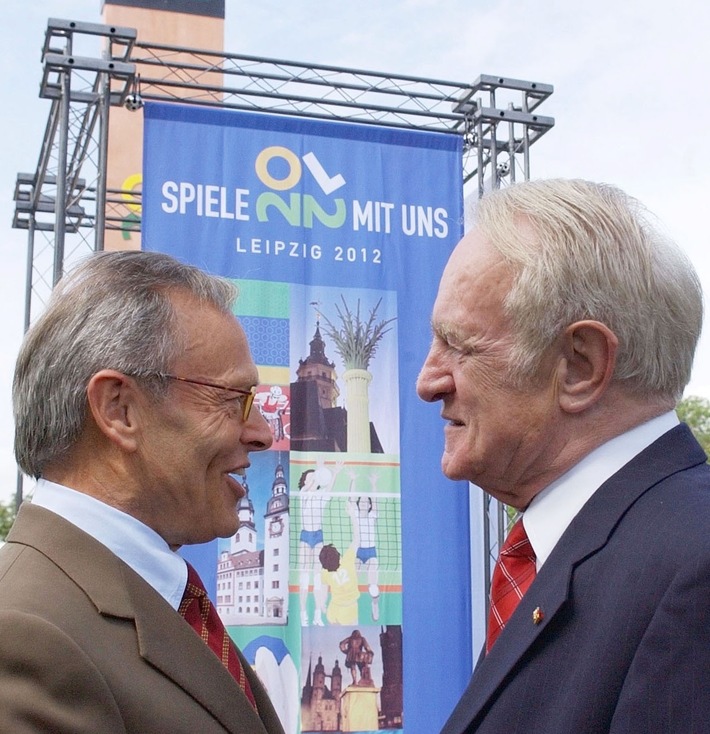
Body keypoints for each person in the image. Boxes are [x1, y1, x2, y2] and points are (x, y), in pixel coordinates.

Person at [416, 179, 710, 734]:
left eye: (459, 344)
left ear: (580, 365)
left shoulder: (692, 571)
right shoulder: (578, 551)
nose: (428, 382)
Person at [0, 251, 285, 734]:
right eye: (234, 400)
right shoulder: (25, 635)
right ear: (119, 410)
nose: (261, 433)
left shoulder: (155, 599)